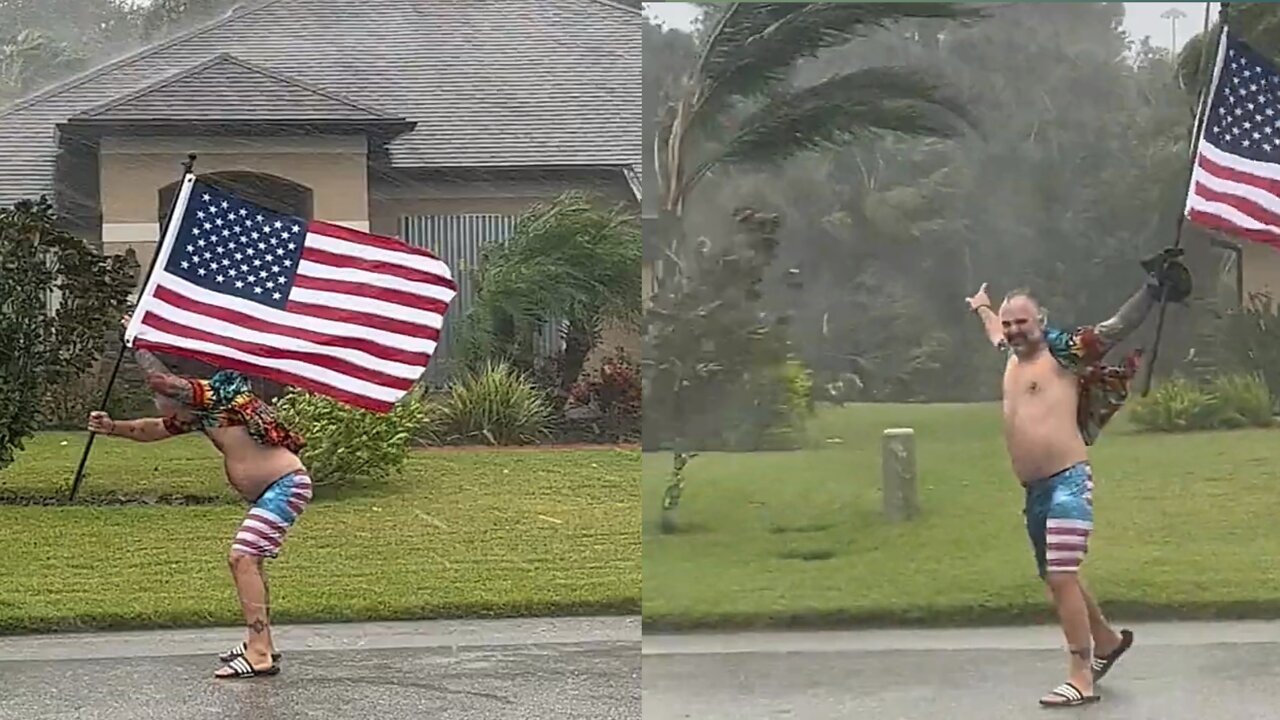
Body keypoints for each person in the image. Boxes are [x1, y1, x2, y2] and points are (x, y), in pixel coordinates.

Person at [964, 249, 1188, 708]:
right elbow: (992, 332)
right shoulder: (1009, 351)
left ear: (1040, 320)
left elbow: (1113, 329)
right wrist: (983, 307)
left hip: (1068, 481)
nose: (1012, 330)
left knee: (1063, 575)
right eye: (1008, 324)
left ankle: (1080, 675)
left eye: (1020, 322)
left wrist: (1150, 291)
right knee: (1055, 575)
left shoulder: (1062, 352)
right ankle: (1105, 641)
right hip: (1036, 491)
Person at [86, 315, 311, 679]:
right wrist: (112, 428)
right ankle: (262, 643)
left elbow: (162, 381)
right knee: (248, 561)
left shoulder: (212, 394)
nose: (159, 402)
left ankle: (258, 654)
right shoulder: (200, 415)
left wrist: (137, 341)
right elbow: (153, 430)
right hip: (276, 488)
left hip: (284, 485)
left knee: (242, 557)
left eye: (160, 398)